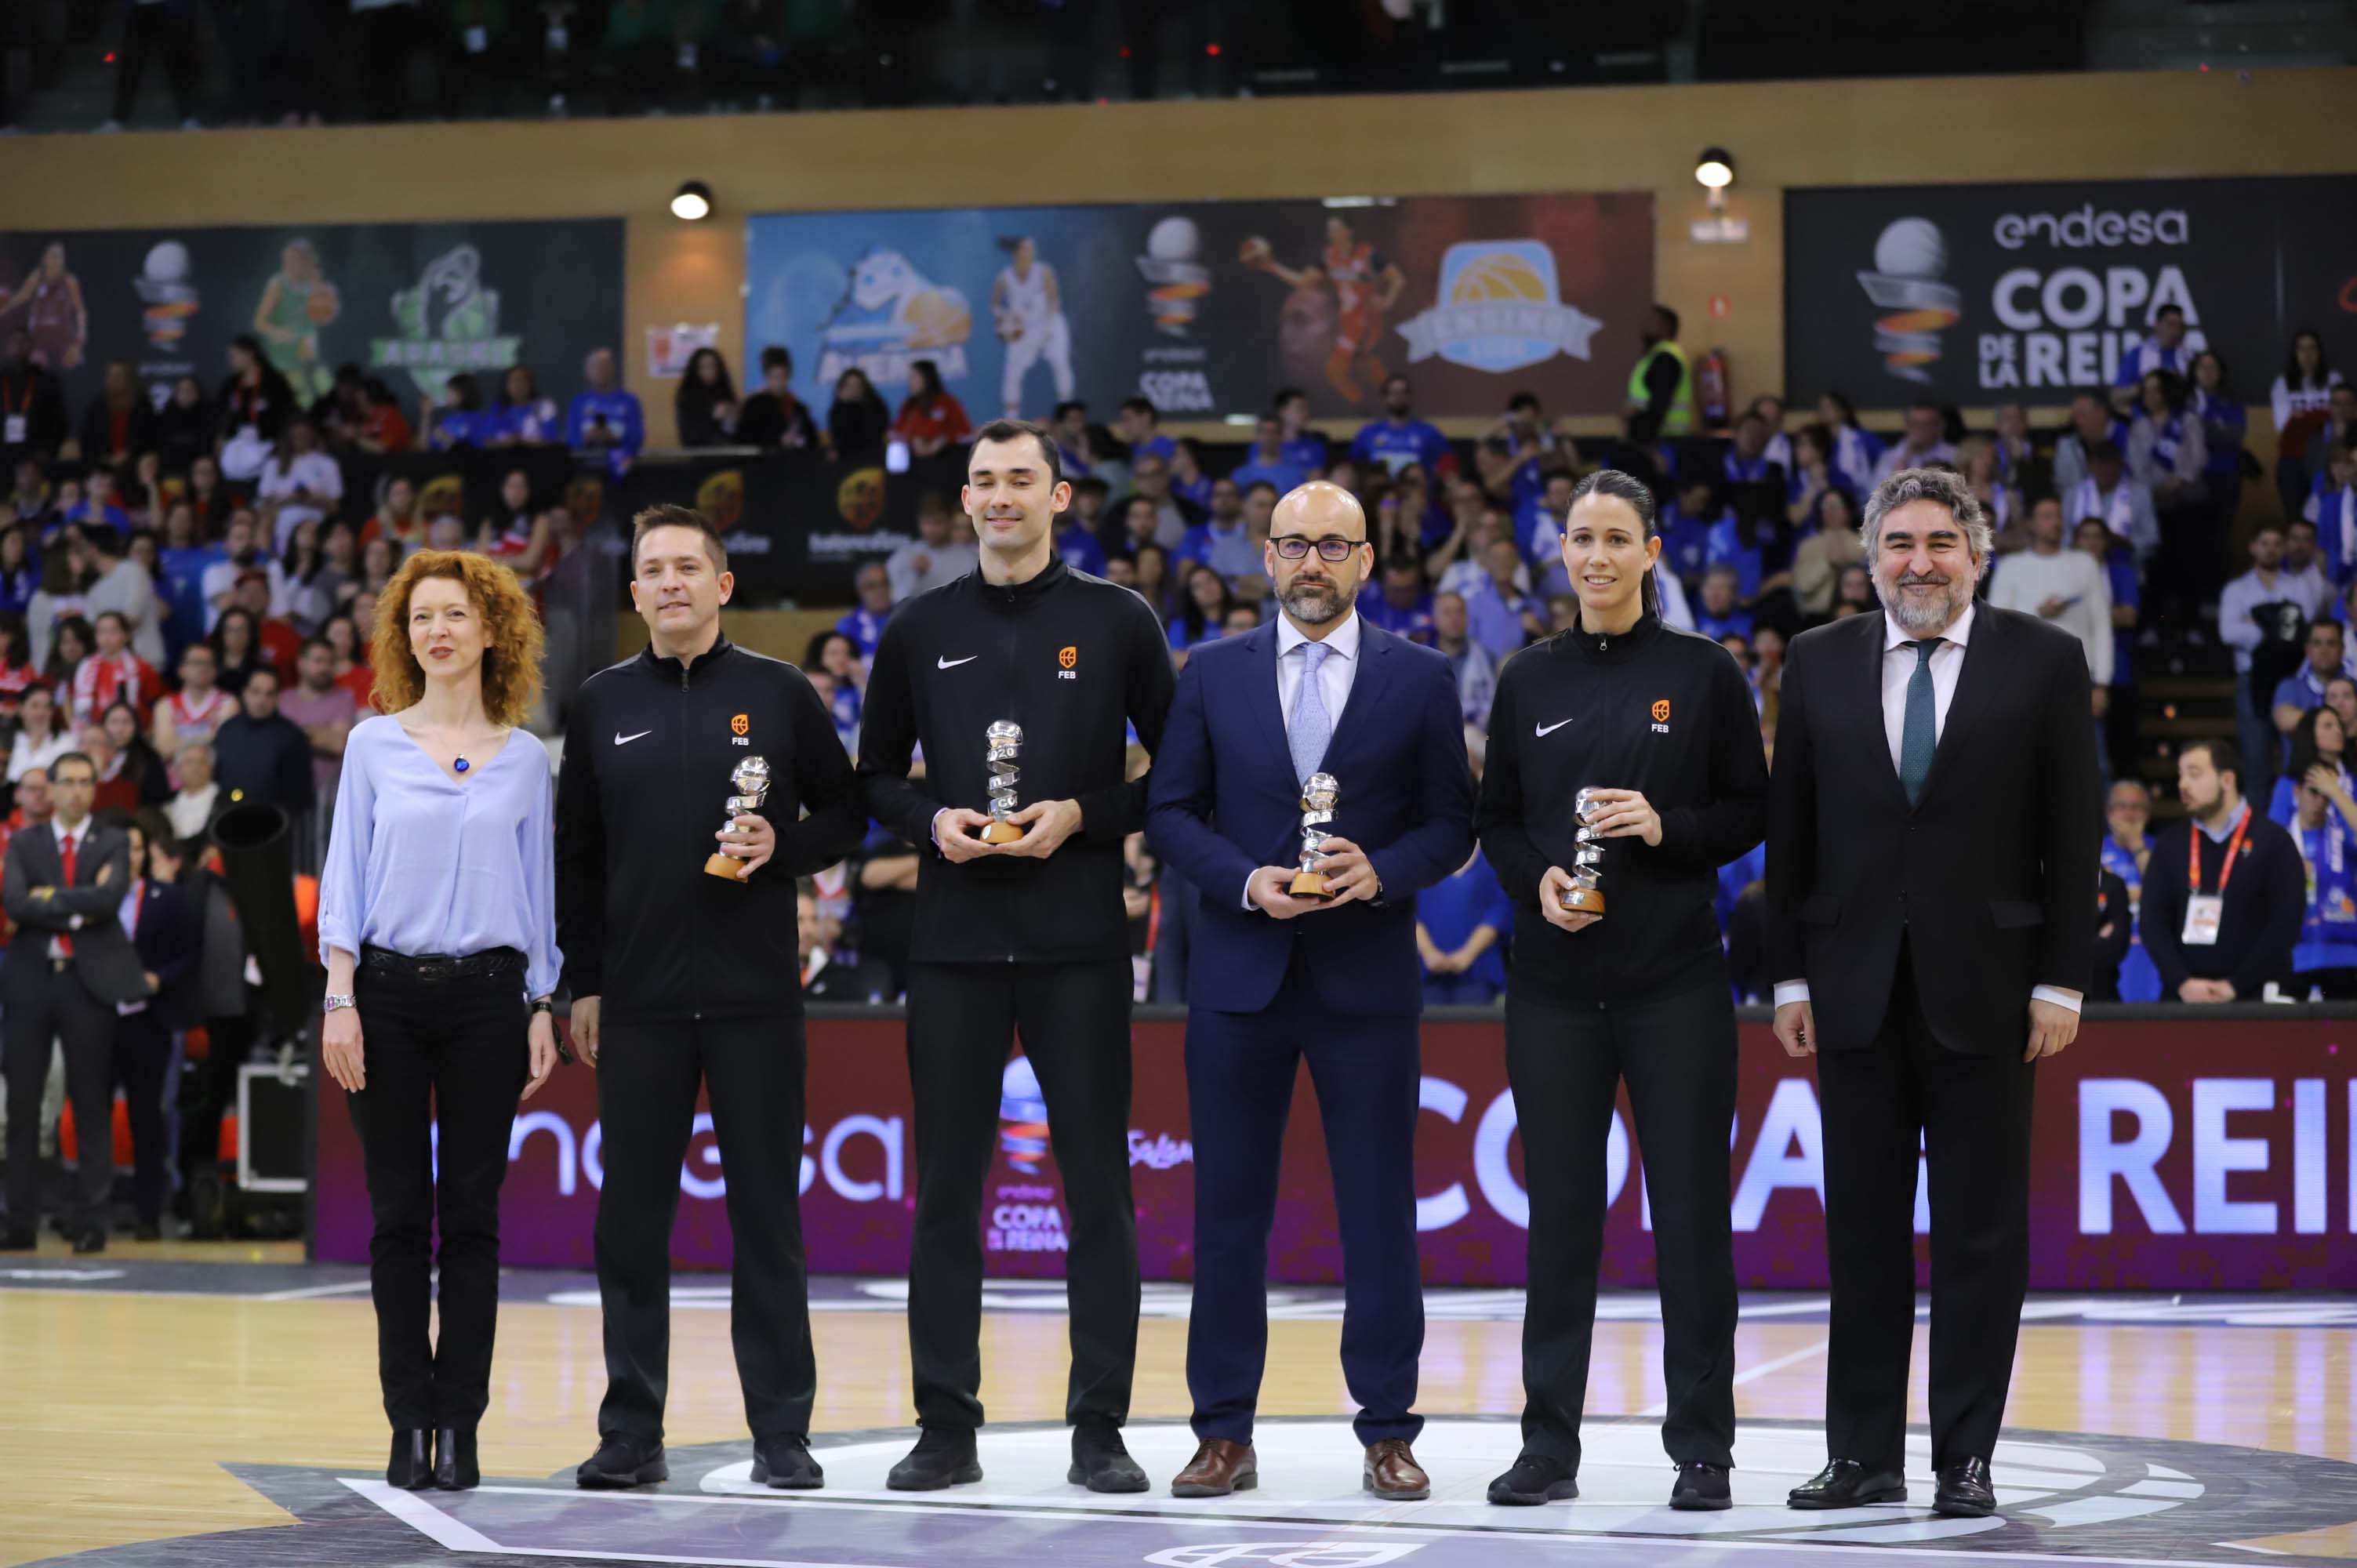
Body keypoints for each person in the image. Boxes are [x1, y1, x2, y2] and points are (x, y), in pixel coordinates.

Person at [1767, 466, 2099, 1519]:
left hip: (1993, 994)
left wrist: (2060, 981)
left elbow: (2072, 834)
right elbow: (1792, 838)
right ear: (1870, 561)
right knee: (1858, 1236)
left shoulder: (2044, 659)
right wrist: (1786, 975)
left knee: (1977, 1237)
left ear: (1976, 557)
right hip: (1851, 989)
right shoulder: (1816, 661)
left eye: (1939, 543)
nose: (1918, 561)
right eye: (1899, 543)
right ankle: (1860, 1455)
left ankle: (1966, 1457)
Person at [856, 419, 1175, 1494]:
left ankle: (1100, 1431)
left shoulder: (1116, 619)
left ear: (1059, 496)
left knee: (1098, 1190)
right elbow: (873, 781)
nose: (1001, 497)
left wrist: (1082, 815)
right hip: (948, 946)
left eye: (1020, 480)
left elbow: (1175, 778)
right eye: (984, 481)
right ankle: (944, 1428)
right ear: (965, 498)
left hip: (1079, 943)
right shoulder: (916, 628)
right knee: (947, 1191)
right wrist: (930, 823)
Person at [1145, 479, 1471, 1504]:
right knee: (1227, 1214)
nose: (1312, 563)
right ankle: (1222, 1434)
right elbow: (1169, 813)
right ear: (1267, 557)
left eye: (1333, 545)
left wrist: (1385, 870)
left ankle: (1386, 1430)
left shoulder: (1420, 676)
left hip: (1365, 978)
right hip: (1240, 975)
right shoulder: (1207, 674)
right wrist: (1243, 881)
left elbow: (1451, 825)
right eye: (1293, 545)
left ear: (1367, 560)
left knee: (1377, 1213)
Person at [557, 505, 867, 1494]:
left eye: (691, 566)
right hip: (638, 1000)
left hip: (754, 996)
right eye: (655, 569)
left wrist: (787, 848)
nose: (673, 582)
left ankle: (782, 1431)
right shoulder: (600, 701)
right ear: (636, 591)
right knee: (630, 1223)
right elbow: (577, 855)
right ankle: (630, 1429)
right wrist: (585, 980)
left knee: (768, 1216)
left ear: (724, 584)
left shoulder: (779, 691)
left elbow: (852, 809)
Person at [1474, 469, 1767, 1512]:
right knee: (1558, 1221)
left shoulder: (1702, 673)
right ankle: (1547, 1446)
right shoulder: (1525, 679)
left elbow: (1750, 809)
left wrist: (1665, 829)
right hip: (1553, 989)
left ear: (1652, 552)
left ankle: (1703, 1450)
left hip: (1674, 985)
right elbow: (1496, 819)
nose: (1594, 556)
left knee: (1688, 1218)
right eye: (1578, 538)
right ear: (1561, 553)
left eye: (1614, 539)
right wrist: (1537, 879)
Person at [317, 547, 563, 1494]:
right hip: (383, 995)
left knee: (471, 1219)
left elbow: (537, 894)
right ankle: (404, 1419)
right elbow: (344, 880)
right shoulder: (373, 744)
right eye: (422, 616)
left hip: (489, 1002)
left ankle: (459, 1423)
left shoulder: (528, 757)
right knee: (396, 1218)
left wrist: (543, 1000)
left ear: (491, 628)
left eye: (456, 613)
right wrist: (340, 998)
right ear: (402, 635)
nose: (439, 631)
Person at [1, 752, 146, 1252]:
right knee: (22, 1105)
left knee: (89, 1106)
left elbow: (111, 900)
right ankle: (18, 1221)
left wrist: (50, 901)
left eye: (87, 782)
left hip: (89, 984)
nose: (77, 790)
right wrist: (81, 903)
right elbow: (15, 902)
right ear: (51, 789)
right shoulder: (23, 841)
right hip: (30, 982)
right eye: (68, 782)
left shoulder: (111, 840)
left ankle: (91, 1222)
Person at [2139, 739, 2304, 1006]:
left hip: (2256, 999)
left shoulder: (2274, 841)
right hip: (2182, 1000)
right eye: (2180, 775)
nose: (2182, 785)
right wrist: (2181, 981)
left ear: (2227, 780)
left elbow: (2286, 922)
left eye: (2194, 774)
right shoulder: (2170, 843)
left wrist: (2236, 985)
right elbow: (2152, 919)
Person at [111, 813, 194, 1241]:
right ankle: (92, 1210)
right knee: (93, 1115)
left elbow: (187, 953)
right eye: (125, 848)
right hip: (99, 1017)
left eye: (140, 849)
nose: (133, 856)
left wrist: (160, 978)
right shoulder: (93, 898)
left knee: (149, 1115)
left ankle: (148, 1212)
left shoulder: (167, 896)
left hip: (149, 1018)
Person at [2286, 765, 2357, 998]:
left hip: (2343, 956)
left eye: (2325, 796)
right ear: (2297, 793)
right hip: (2293, 957)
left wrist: (2337, 793)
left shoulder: (2342, 835)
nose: (2319, 802)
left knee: (2341, 1033)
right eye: (2313, 793)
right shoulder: (2280, 836)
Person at [212, 666, 316, 822]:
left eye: (269, 694)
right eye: (256, 692)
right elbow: (216, 777)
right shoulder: (228, 730)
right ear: (245, 693)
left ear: (277, 698)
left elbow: (301, 794)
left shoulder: (292, 736)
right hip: (227, 820)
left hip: (274, 826)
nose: (262, 700)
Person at [1415, 848, 1512, 1006]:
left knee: (1473, 1029)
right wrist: (1429, 953)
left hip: (1478, 973)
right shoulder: (1419, 857)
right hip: (1425, 974)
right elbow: (1407, 910)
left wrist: (1467, 954)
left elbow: (1500, 911)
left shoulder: (1497, 859)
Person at [993, 237, 1074, 417]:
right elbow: (995, 305)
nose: (1029, 253)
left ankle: (1067, 411)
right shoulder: (1005, 277)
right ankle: (1011, 419)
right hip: (1023, 330)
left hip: (1049, 325)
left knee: (1060, 364)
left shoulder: (1043, 271)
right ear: (1016, 253)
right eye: (1025, 250)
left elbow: (1054, 299)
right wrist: (1004, 319)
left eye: (1031, 250)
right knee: (1012, 372)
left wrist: (1047, 326)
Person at [884, 493, 979, 604]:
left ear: (950, 522)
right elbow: (895, 601)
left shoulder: (969, 559)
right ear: (919, 521)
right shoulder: (903, 556)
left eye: (938, 523)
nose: (931, 529)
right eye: (927, 522)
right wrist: (914, 575)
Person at [567, 349, 645, 475]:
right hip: (585, 468)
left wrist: (614, 437)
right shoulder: (579, 402)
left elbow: (637, 438)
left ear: (612, 369)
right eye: (594, 367)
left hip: (621, 469)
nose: (599, 371)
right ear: (587, 372)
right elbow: (572, 438)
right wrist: (588, 438)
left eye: (604, 366)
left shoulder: (630, 401)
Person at [1625, 305, 1694, 446]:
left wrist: (1638, 437)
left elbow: (1657, 407)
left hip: (1660, 442)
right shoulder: (1655, 357)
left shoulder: (1666, 359)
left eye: (1651, 320)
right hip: (1659, 440)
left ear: (1666, 326)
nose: (1644, 324)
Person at [737, 347, 818, 450]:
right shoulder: (754, 405)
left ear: (789, 376)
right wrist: (778, 441)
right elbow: (744, 441)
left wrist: (800, 440)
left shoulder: (799, 408)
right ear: (766, 377)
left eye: (783, 377)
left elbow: (813, 442)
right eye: (774, 377)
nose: (779, 383)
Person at [892, 359, 973, 460]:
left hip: (947, 459)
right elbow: (897, 432)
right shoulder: (909, 406)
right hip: (915, 462)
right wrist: (912, 440)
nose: (910, 382)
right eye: (909, 378)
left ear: (927, 378)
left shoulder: (947, 402)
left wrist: (943, 440)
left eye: (914, 377)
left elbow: (964, 431)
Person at [674, 347, 738, 448]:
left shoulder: (725, 391)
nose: (708, 371)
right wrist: (713, 417)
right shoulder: (687, 397)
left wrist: (733, 417)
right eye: (703, 367)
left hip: (729, 454)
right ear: (695, 370)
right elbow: (688, 435)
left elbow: (732, 432)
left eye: (712, 366)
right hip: (700, 454)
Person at [9, 683, 74, 782]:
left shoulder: (66, 741)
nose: (41, 713)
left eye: (47, 707)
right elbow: (12, 777)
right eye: (35, 706)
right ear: (21, 709)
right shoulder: (9, 740)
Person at [826, 368, 891, 456]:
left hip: (872, 455)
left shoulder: (875, 407)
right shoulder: (838, 409)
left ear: (864, 387)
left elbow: (870, 437)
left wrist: (852, 407)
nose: (854, 390)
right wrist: (844, 406)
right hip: (845, 458)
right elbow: (839, 438)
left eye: (857, 386)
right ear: (841, 388)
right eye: (849, 386)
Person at [166, 739, 219, 840]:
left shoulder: (224, 800)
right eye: (189, 762)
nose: (195, 767)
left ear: (211, 767)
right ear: (178, 769)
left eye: (201, 761)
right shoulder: (169, 804)